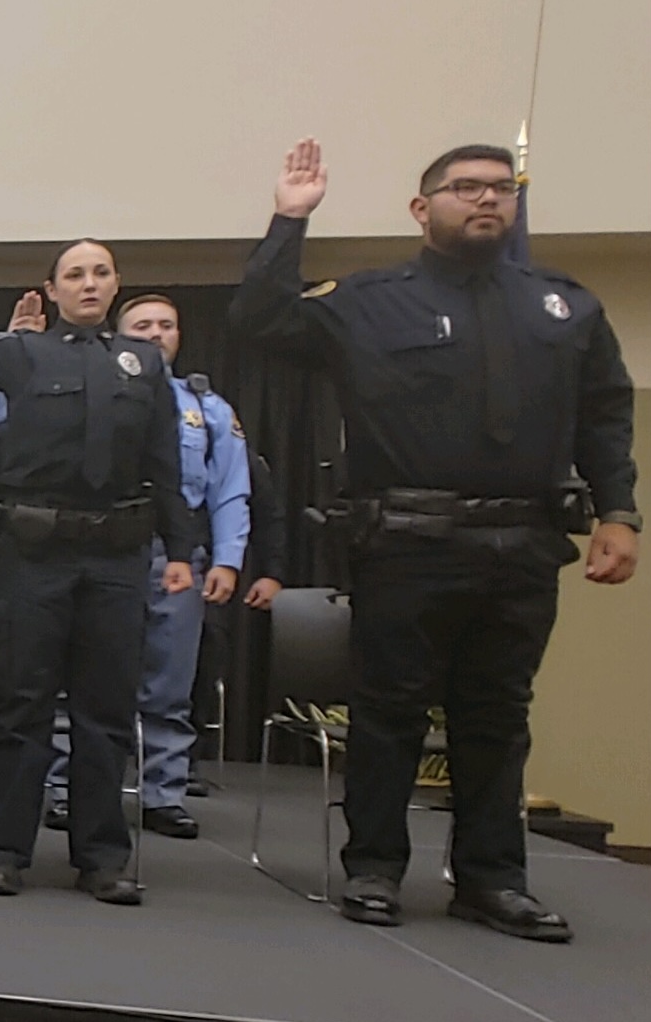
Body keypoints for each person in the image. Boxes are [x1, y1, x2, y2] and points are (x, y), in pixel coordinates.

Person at [229, 139, 637, 941]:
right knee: (389, 714)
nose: (485, 200)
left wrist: (619, 513)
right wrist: (288, 218)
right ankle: (374, 869)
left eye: (498, 189)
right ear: (422, 209)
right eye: (464, 189)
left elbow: (603, 415)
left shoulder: (564, 306)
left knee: (496, 718)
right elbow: (259, 321)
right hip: (408, 543)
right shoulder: (370, 299)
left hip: (521, 543)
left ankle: (492, 880)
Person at [0, 208, 197, 904]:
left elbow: (163, 464)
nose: (87, 284)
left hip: (117, 559)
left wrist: (179, 548)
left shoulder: (145, 365)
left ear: (115, 284)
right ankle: (5, 850)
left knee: (105, 712)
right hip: (34, 557)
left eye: (98, 272)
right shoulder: (20, 353)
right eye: (73, 274)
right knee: (23, 707)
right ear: (52, 288)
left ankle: (101, 856)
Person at [41, 294, 247, 839]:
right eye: (142, 325)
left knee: (169, 685)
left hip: (171, 556)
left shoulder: (208, 407)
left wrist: (227, 558)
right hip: (100, 547)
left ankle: (163, 794)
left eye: (166, 325)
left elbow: (229, 490)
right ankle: (63, 788)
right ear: (119, 333)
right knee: (77, 680)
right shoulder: (90, 390)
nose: (155, 334)